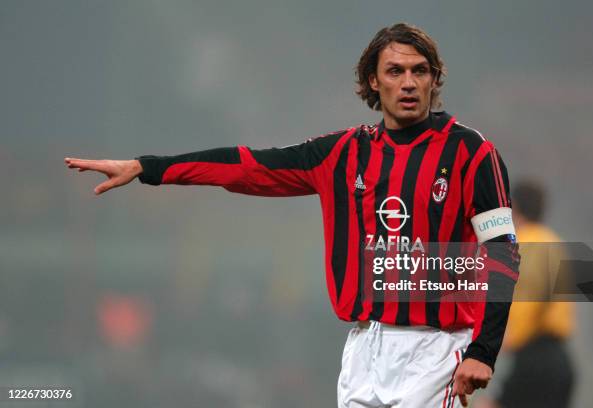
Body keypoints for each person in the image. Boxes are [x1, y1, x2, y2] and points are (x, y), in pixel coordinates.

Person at [65, 23, 520, 408]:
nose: (408, 82)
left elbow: (502, 254)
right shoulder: (342, 153)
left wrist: (484, 349)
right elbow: (247, 166)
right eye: (395, 71)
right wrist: (148, 167)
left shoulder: (471, 153)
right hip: (365, 344)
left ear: (434, 80)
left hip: (436, 346)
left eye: (419, 72)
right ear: (373, 81)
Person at [486, 180, 574, 408]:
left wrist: (502, 341)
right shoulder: (555, 242)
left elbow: (529, 298)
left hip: (531, 359)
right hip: (561, 361)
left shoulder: (522, 244)